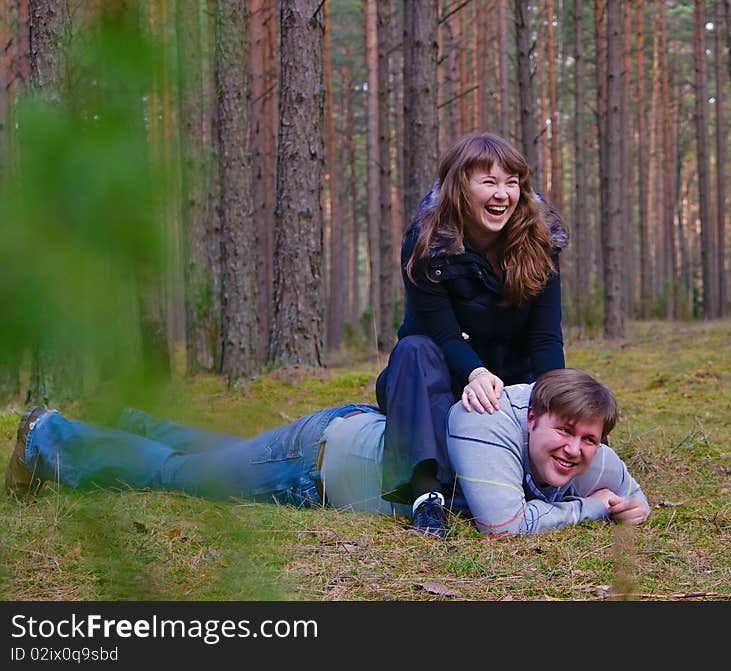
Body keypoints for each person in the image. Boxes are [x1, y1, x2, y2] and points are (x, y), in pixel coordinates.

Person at [5, 368, 649, 535]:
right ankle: (45, 437)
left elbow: (633, 498)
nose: (574, 451)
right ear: (532, 415)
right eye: (563, 432)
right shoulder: (487, 427)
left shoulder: (589, 453)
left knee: (230, 452)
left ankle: (133, 419)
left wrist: (620, 501)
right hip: (311, 466)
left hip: (335, 445)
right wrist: (591, 512)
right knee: (180, 477)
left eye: (589, 441)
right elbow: (503, 525)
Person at [376, 131, 570, 536]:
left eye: (511, 183)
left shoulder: (541, 242)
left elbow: (546, 338)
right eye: (489, 182)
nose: (502, 194)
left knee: (558, 389)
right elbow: (443, 334)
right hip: (436, 376)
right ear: (460, 188)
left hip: (510, 378)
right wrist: (475, 375)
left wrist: (559, 406)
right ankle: (426, 496)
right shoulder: (426, 243)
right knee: (413, 349)